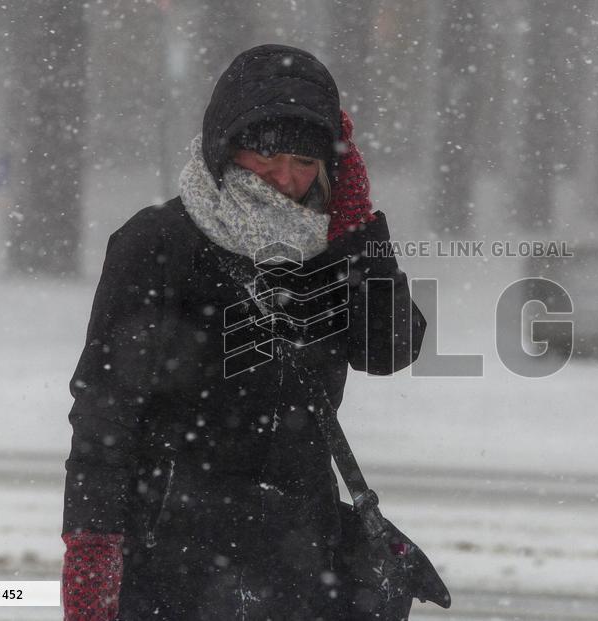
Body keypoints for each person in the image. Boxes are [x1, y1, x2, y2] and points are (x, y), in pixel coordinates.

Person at [60, 44, 427, 620]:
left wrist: (359, 234)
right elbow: (105, 411)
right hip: (172, 559)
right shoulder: (159, 243)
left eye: (307, 161)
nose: (286, 178)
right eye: (267, 153)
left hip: (299, 558)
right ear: (225, 146)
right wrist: (93, 548)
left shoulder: (331, 247)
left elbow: (389, 350)